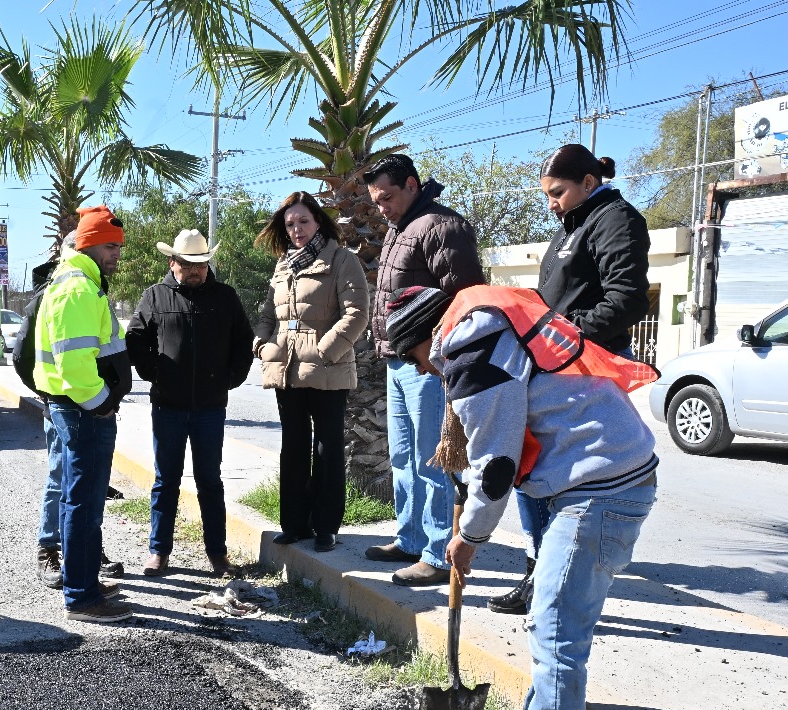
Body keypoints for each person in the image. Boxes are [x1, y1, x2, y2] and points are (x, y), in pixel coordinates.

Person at [385, 282, 658, 710]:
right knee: (552, 628)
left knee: (558, 638)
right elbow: (496, 438)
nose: (426, 372)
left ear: (424, 339)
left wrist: (467, 538)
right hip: (604, 479)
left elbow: (497, 464)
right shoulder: (490, 328)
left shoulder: (470, 349)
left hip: (597, 489)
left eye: (414, 359)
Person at [492, 143, 652, 616]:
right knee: (534, 470)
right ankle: (539, 570)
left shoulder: (616, 219)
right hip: (555, 365)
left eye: (557, 192)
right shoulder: (575, 224)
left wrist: (565, 334)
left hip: (587, 366)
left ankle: (556, 578)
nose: (551, 203)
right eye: (547, 195)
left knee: (568, 477)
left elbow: (627, 298)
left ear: (588, 182)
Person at [362, 153, 484, 587]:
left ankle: (434, 553)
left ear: (412, 185)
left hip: (427, 366)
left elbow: (467, 299)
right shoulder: (401, 228)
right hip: (398, 362)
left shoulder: (440, 226)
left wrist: (436, 356)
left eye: (388, 197)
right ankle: (411, 538)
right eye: (376, 201)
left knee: (432, 459)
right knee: (402, 456)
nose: (382, 207)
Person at [126, 228, 254, 576]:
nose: (195, 271)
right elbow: (136, 338)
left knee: (209, 480)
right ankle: (158, 551)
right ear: (173, 263)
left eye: (201, 264)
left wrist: (231, 378)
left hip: (211, 408)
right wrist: (155, 372)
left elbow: (244, 341)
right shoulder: (155, 296)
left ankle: (217, 553)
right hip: (168, 405)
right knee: (166, 480)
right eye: (187, 264)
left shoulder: (226, 297)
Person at [33, 205, 135, 623]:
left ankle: (85, 582)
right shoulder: (77, 288)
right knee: (84, 502)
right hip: (82, 410)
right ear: (90, 243)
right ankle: (81, 597)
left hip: (77, 408)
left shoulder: (81, 281)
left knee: (84, 499)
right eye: (111, 246)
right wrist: (102, 403)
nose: (117, 255)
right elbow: (74, 365)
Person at [252, 192, 369, 552]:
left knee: (328, 448)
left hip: (327, 370)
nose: (297, 229)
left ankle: (326, 528)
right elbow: (269, 314)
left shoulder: (342, 260)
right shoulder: (283, 264)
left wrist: (322, 352)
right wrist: (260, 345)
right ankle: (294, 524)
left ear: (318, 221)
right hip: (285, 370)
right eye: (290, 224)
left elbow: (357, 314)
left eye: (303, 221)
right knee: (294, 447)